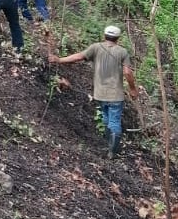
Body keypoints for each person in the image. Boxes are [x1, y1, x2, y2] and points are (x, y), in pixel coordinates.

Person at [52, 25, 137, 158]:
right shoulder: (123, 52)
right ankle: (113, 152)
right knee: (114, 121)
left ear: (104, 36)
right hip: (115, 95)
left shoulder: (96, 47)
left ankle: (110, 146)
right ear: (118, 38)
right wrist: (132, 89)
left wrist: (59, 59)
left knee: (106, 119)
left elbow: (78, 57)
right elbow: (127, 72)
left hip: (100, 93)